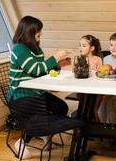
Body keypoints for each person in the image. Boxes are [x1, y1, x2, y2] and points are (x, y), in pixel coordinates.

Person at [7, 16, 71, 159]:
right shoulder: (19, 49)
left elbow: (41, 72)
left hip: (35, 92)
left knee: (61, 108)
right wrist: (54, 57)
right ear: (29, 32)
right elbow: (35, 69)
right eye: (38, 31)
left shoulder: (36, 49)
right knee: (37, 115)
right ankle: (21, 142)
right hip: (20, 95)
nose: (40, 34)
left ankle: (43, 133)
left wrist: (57, 65)